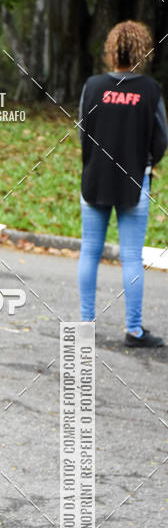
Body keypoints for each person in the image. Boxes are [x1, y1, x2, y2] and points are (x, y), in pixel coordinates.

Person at [78, 20, 168, 347]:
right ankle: (134, 330)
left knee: (90, 250)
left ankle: (85, 324)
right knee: (131, 255)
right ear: (142, 50)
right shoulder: (151, 90)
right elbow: (162, 139)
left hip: (94, 180)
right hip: (135, 183)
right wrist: (146, 163)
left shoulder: (93, 85)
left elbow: (82, 133)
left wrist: (93, 164)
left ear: (111, 49)